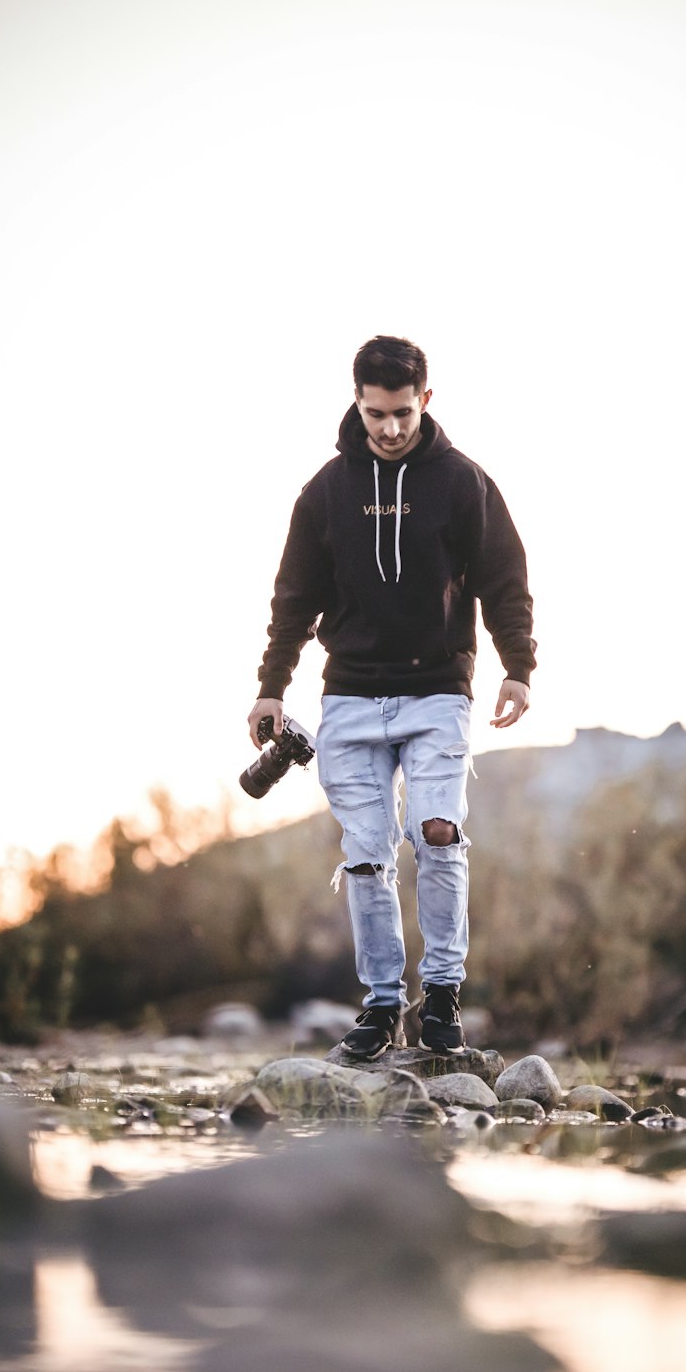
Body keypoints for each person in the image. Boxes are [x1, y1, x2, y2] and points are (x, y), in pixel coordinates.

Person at [247, 335, 536, 1059]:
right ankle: (381, 1006)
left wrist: (517, 666)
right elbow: (292, 597)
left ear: (425, 401)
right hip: (348, 698)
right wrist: (272, 689)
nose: (390, 427)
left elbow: (504, 577)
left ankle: (441, 998)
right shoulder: (325, 492)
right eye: (377, 413)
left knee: (438, 831)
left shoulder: (463, 482)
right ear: (358, 403)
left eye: (403, 412)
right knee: (368, 857)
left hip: (438, 689)